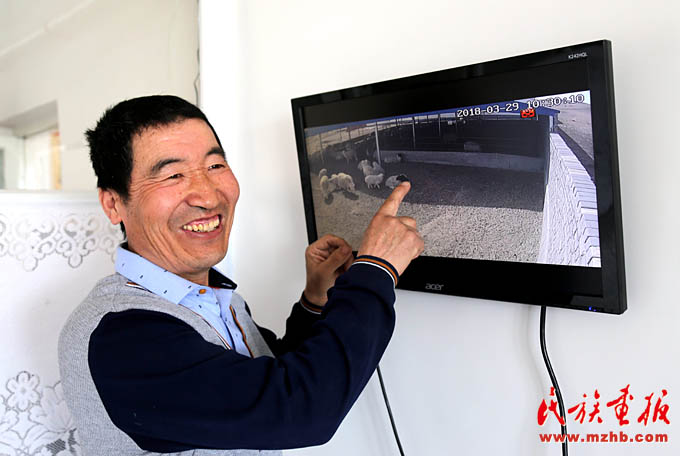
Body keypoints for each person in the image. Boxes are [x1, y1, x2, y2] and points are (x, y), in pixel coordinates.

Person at [58, 95, 424, 455]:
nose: (208, 196)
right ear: (113, 204)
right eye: (173, 175)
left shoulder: (216, 298)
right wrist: (375, 270)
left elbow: (261, 380)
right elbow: (299, 409)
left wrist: (314, 301)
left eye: (215, 166)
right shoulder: (122, 336)